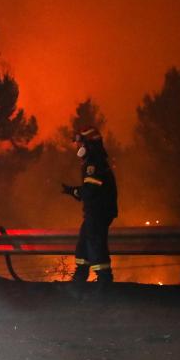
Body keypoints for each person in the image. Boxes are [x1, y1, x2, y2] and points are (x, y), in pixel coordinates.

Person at [61, 127, 118, 297]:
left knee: (95, 245)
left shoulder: (94, 164)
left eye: (79, 142)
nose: (77, 146)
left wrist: (74, 192)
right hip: (95, 212)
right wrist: (74, 191)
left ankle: (104, 282)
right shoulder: (95, 161)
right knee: (84, 244)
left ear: (87, 144)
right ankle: (80, 279)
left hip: (98, 212)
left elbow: (90, 191)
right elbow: (89, 190)